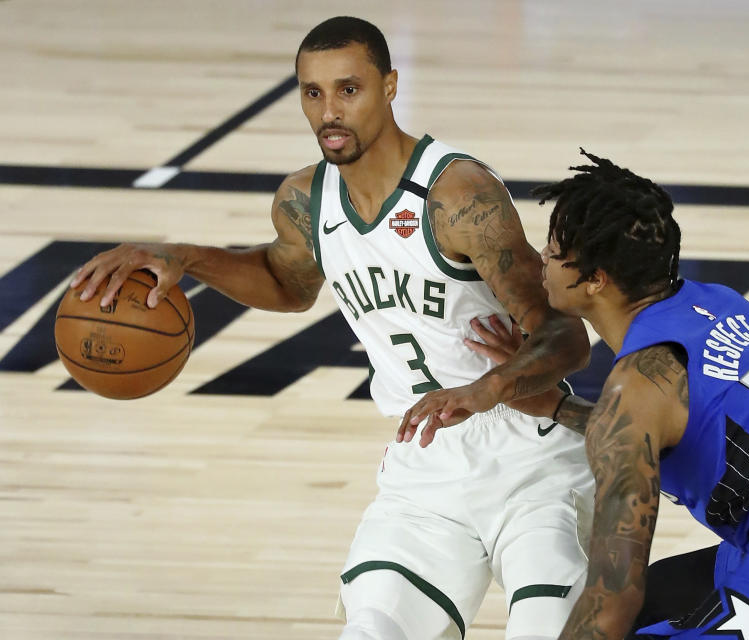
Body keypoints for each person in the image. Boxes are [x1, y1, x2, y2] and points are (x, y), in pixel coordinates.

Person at [69, 17, 595, 640]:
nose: (329, 112)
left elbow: (566, 338)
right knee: (371, 631)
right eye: (312, 93)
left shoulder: (458, 196)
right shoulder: (305, 200)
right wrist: (186, 257)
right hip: (424, 466)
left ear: (391, 86)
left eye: (349, 90)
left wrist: (487, 388)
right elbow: (288, 284)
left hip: (528, 454)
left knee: (546, 630)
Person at [444, 151, 749, 639]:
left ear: (595, 280)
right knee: (658, 602)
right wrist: (556, 405)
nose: (541, 264)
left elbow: (612, 597)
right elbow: (682, 425)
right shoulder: (719, 304)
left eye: (554, 252)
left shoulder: (637, 387)